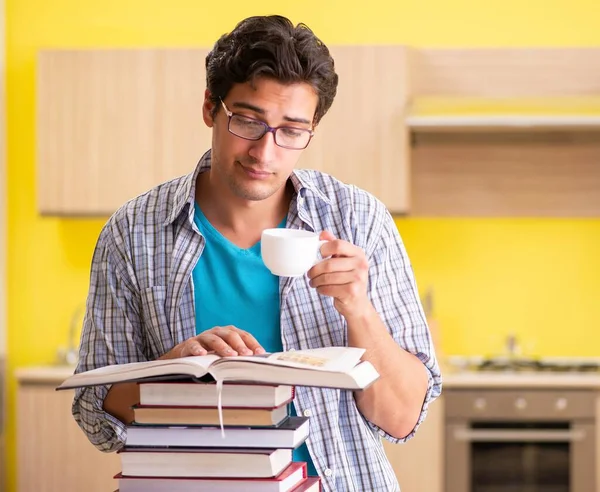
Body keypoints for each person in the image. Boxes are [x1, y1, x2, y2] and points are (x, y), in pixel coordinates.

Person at [73, 14, 442, 492]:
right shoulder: (133, 232)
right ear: (211, 107)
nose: (265, 154)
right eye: (248, 121)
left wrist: (358, 308)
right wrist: (172, 373)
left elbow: (402, 416)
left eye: (291, 130)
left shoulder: (360, 219)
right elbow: (94, 411)